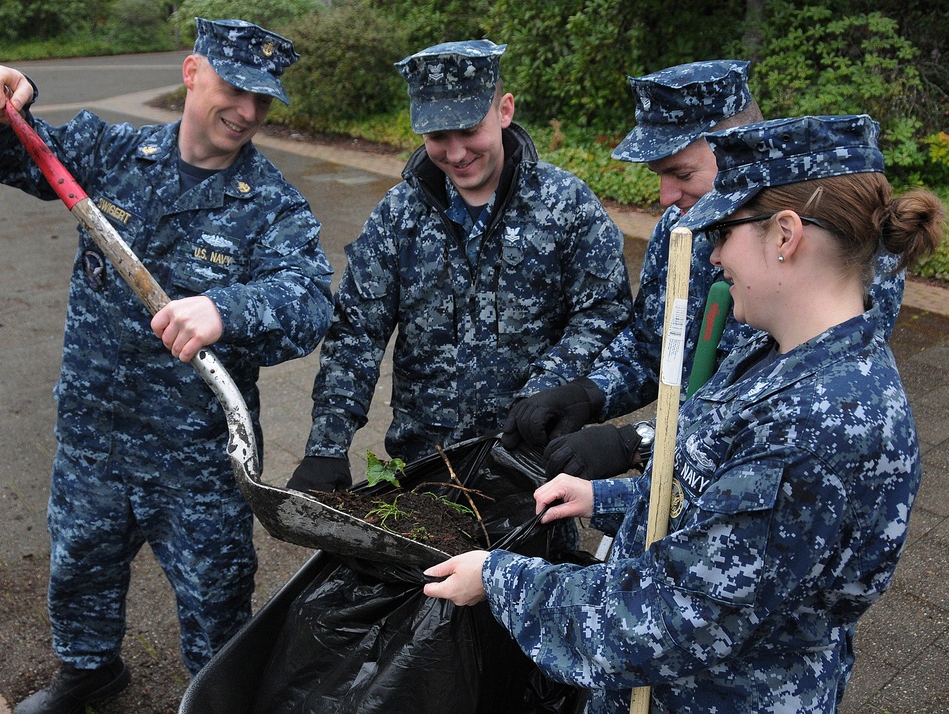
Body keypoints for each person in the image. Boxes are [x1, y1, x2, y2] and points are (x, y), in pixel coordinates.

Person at [423, 113, 945, 712]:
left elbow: (667, 618)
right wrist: (610, 499)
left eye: (723, 232)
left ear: (785, 235)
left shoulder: (820, 423)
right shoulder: (772, 353)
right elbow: (718, 502)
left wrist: (498, 580)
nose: (714, 256)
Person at [0, 18, 333, 713]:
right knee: (78, 569)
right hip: (94, 437)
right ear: (191, 72)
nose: (248, 112)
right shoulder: (112, 150)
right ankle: (87, 672)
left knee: (214, 597)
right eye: (235, 88)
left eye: (263, 100)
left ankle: (213, 696)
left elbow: (308, 302)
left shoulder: (270, 204)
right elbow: (8, 153)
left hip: (196, 461)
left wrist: (227, 307)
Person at [500, 60, 906, 482]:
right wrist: (589, 393)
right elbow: (654, 345)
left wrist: (636, 442)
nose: (665, 197)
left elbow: (771, 407)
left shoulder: (847, 254)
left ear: (737, 154)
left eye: (681, 173)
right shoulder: (680, 228)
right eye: (659, 176)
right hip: (682, 486)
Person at [287, 39, 633, 493]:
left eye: (469, 130)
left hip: (529, 469)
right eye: (436, 137)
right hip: (423, 472)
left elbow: (604, 310)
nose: (455, 154)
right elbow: (357, 331)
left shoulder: (567, 205)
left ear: (504, 110)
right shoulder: (398, 214)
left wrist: (549, 389)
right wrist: (327, 447)